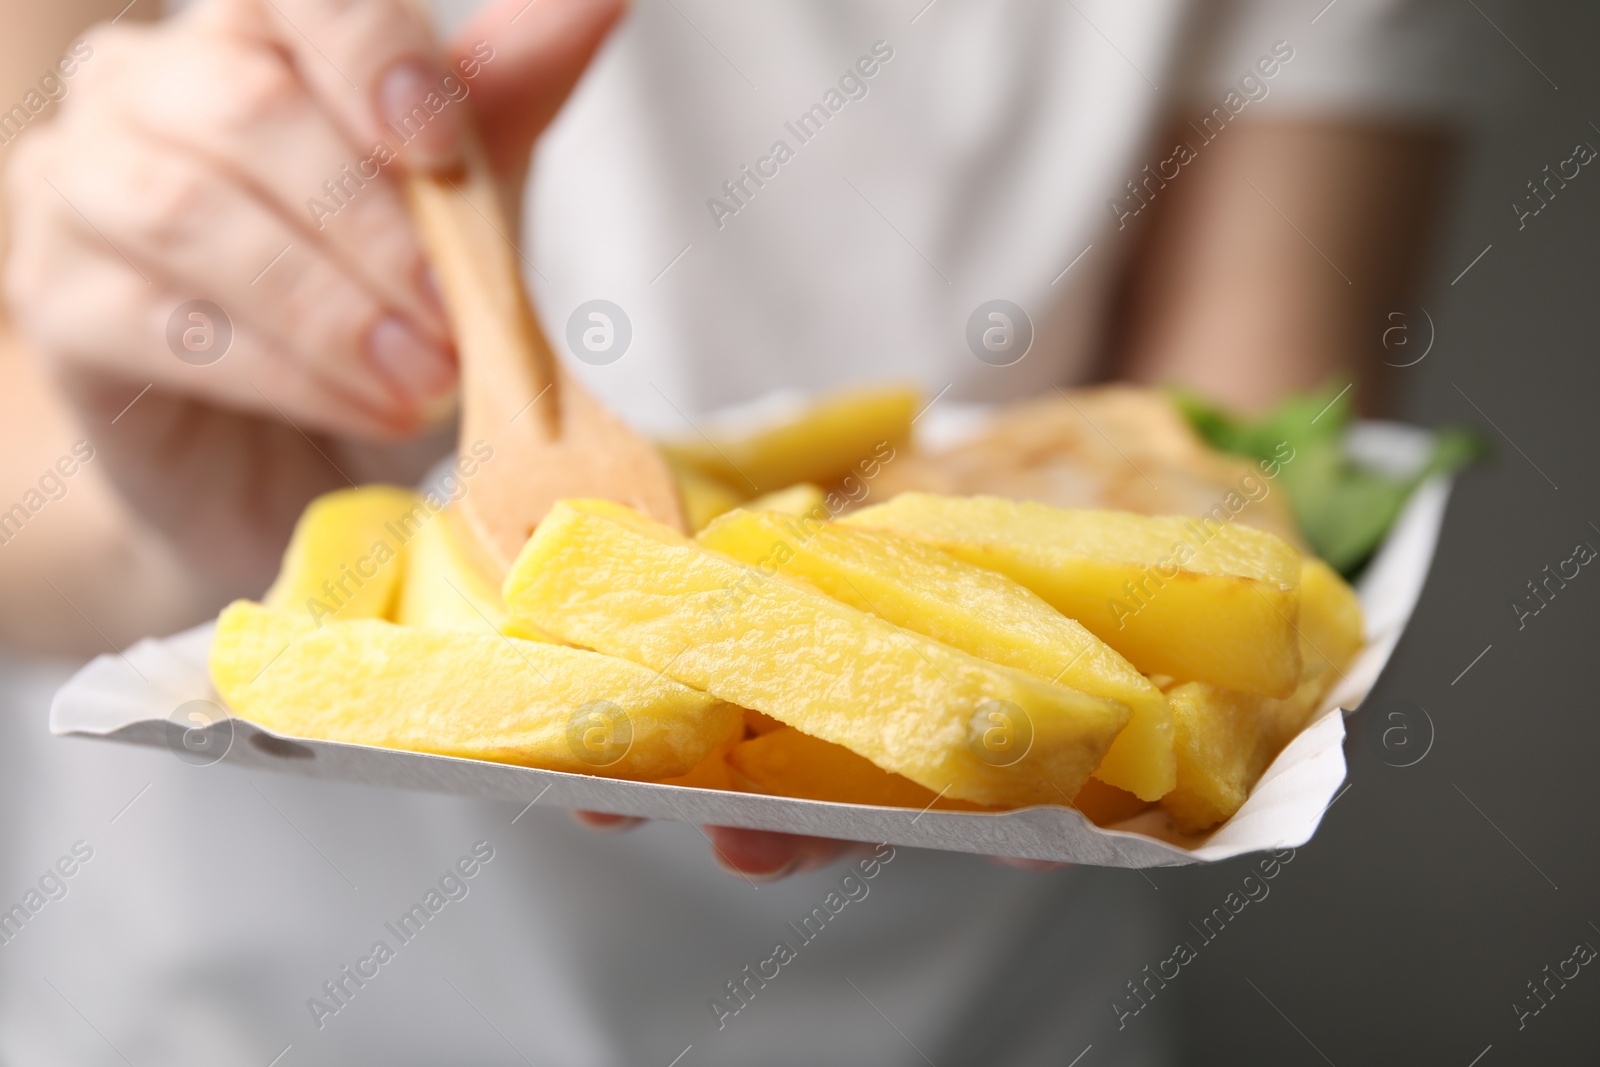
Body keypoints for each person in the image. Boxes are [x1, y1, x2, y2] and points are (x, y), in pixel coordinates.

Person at [0, 0, 1474, 1062]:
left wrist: (1119, 758)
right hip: (207, 1015)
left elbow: (1267, 536)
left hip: (982, 1023)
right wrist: (156, 517)